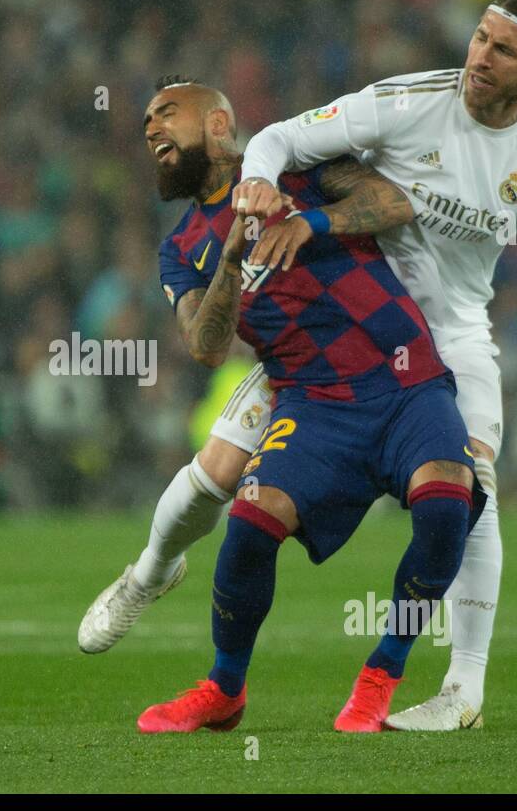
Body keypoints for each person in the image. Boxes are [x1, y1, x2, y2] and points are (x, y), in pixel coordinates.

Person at [109, 78, 485, 733]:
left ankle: (380, 675)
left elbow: (394, 203)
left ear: (220, 124)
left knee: (446, 506)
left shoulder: (300, 166)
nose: (151, 128)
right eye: (145, 122)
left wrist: (311, 221)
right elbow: (204, 344)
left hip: (407, 380)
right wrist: (229, 262)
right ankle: (224, 691)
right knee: (250, 524)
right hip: (315, 404)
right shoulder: (180, 249)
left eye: (167, 112)